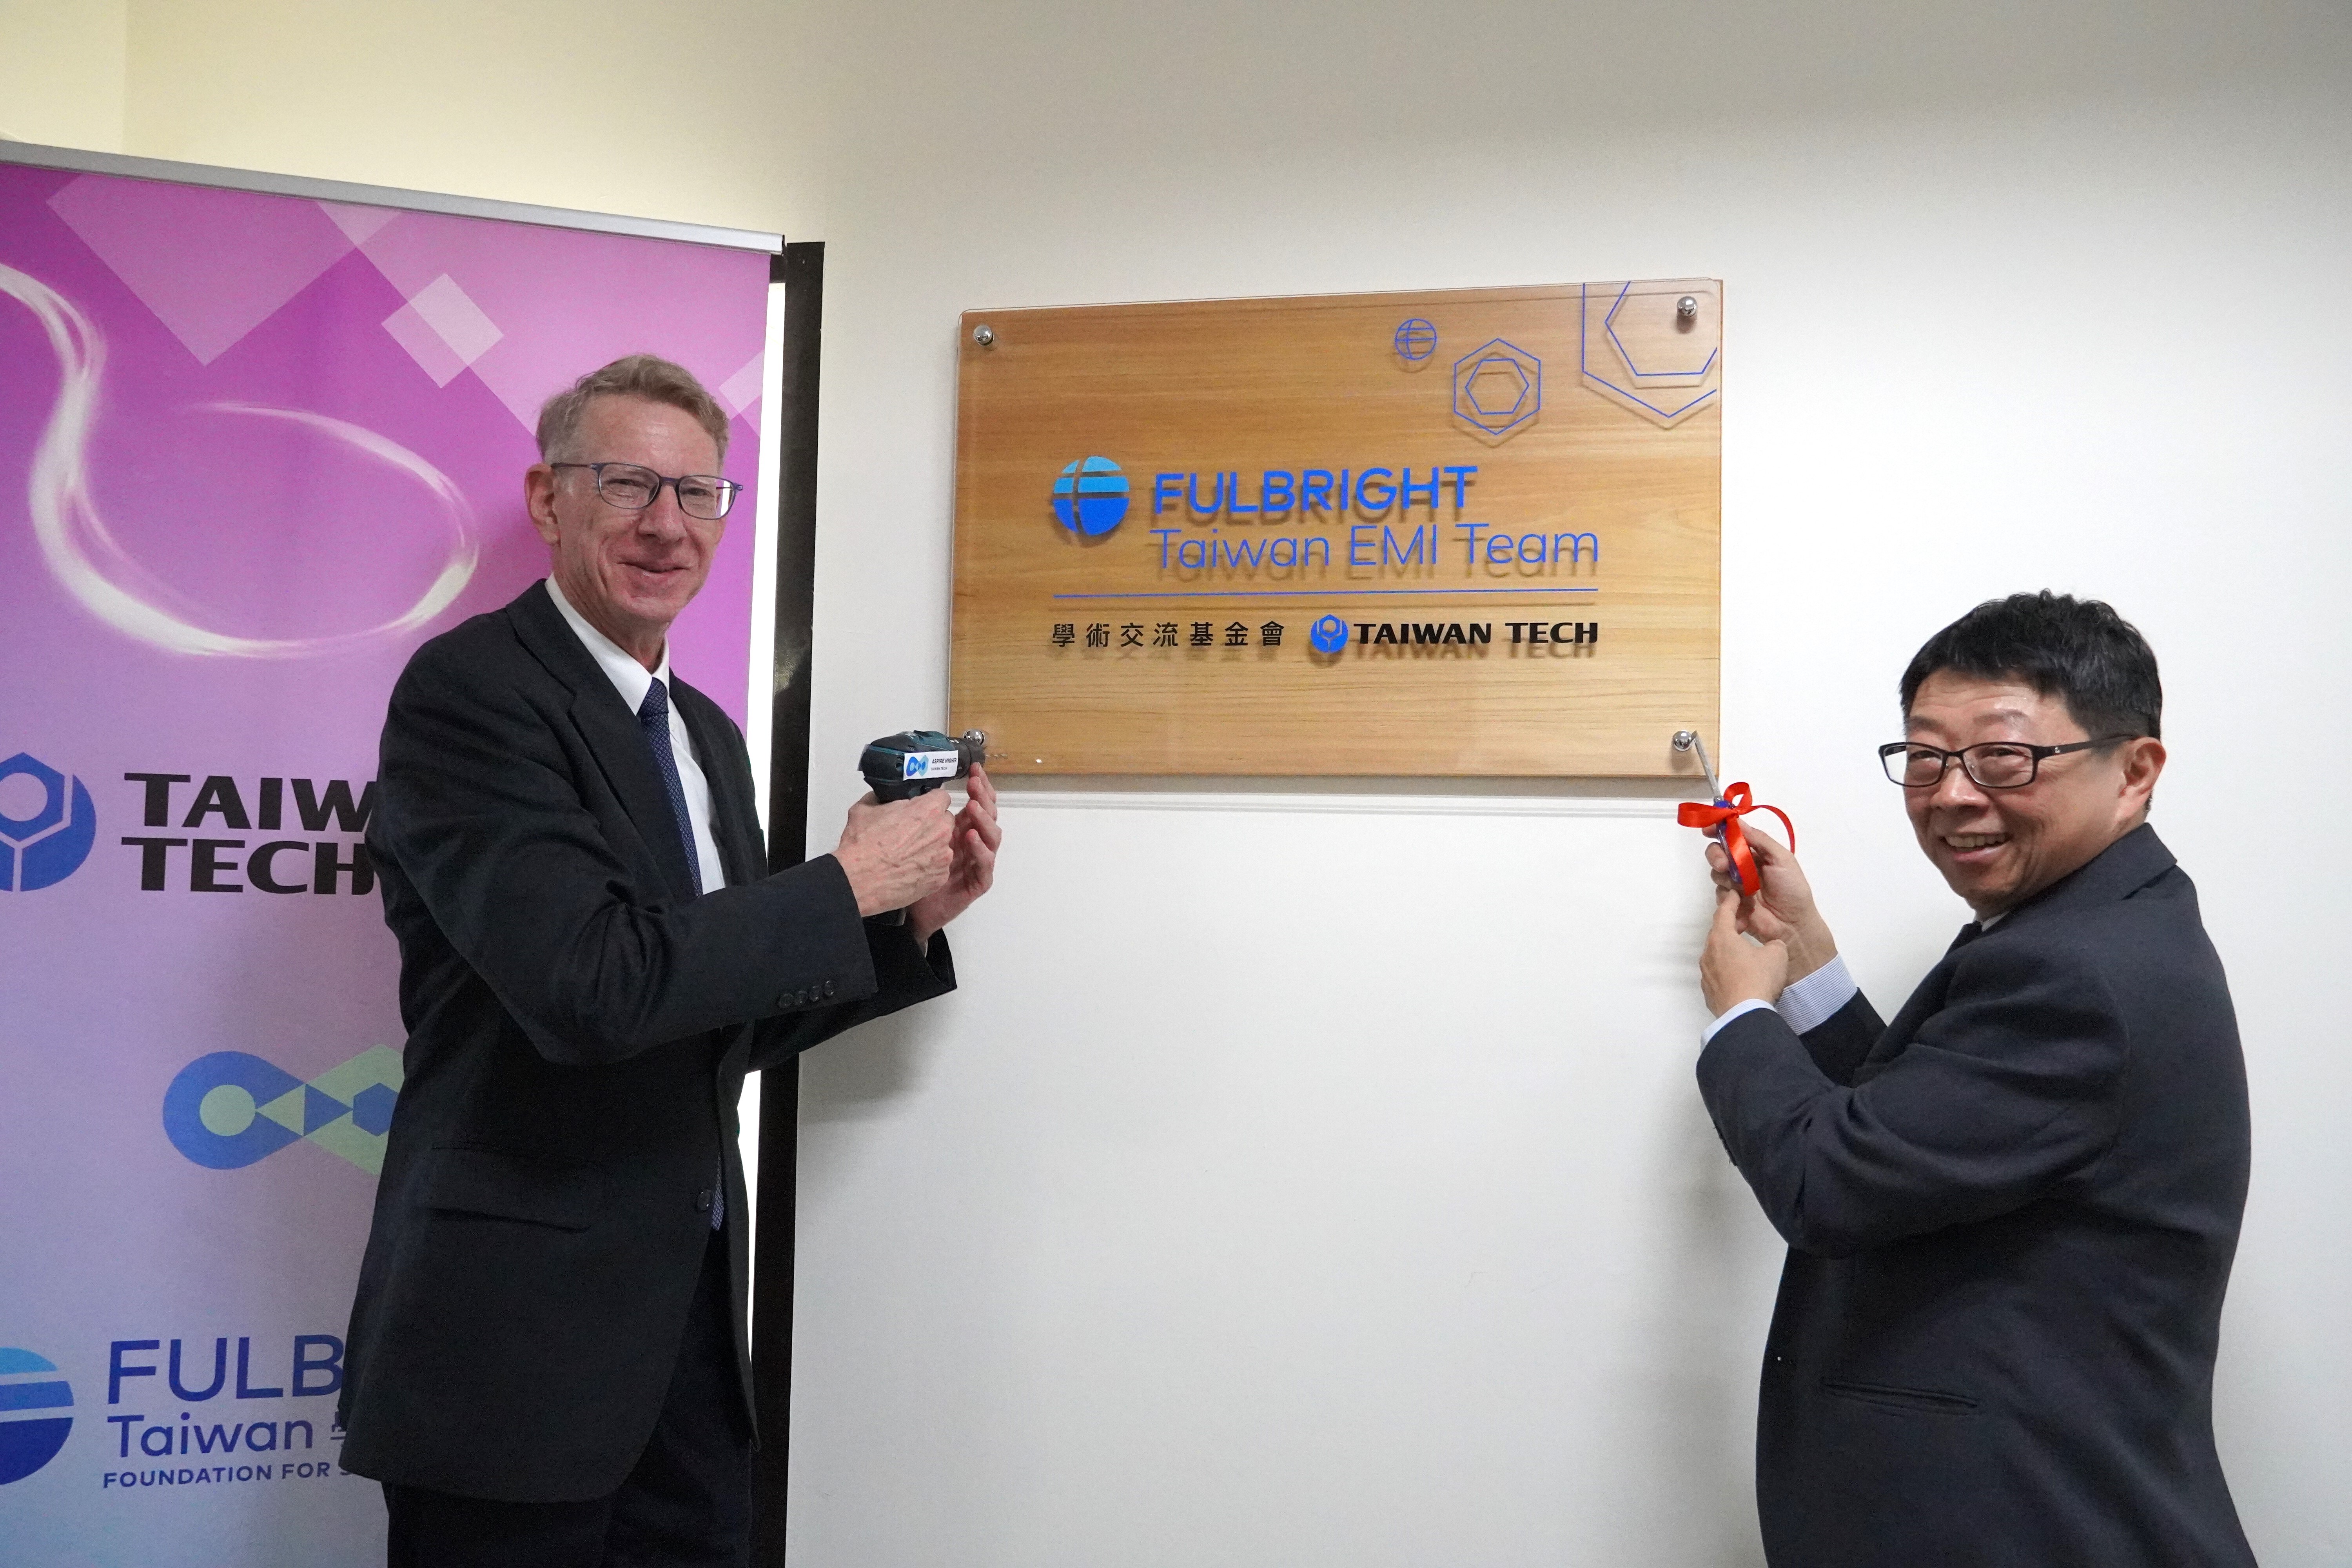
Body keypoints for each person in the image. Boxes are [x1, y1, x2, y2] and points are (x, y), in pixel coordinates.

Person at [335, 354, 1001, 1566]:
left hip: (686, 1332)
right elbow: (591, 990)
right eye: (629, 483)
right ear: (549, 499)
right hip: (514, 1352)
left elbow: (711, 1022)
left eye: (698, 495)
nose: (666, 525)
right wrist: (845, 882)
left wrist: (904, 923)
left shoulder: (703, 734)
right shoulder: (471, 693)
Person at [1693, 592, 2254, 1568]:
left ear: (2135, 770)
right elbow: (1922, 1131)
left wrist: (1742, 1015)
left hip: (2031, 1524)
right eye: (1926, 756)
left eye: (2005, 757)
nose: (1952, 792)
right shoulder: (2103, 924)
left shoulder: (2080, 969)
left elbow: (1830, 1180)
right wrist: (1809, 960)